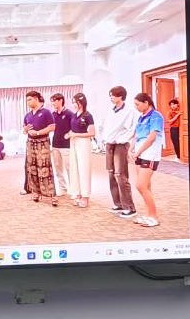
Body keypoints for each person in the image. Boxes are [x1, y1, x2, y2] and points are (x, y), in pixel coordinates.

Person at [101, 85, 137, 217]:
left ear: (120, 96)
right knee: (111, 174)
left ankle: (130, 207)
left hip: (120, 145)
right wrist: (104, 139)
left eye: (113, 95)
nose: (111, 97)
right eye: (110, 95)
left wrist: (122, 139)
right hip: (109, 144)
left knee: (120, 175)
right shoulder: (110, 110)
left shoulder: (129, 111)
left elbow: (132, 129)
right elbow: (104, 126)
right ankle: (118, 204)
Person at [131, 92, 165, 227]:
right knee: (146, 187)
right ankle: (148, 214)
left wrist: (138, 151)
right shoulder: (141, 117)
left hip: (150, 154)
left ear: (146, 102)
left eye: (137, 104)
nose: (136, 107)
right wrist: (131, 148)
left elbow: (151, 138)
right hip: (140, 154)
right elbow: (136, 135)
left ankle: (154, 217)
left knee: (141, 185)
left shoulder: (156, 116)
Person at [22, 90, 57, 204]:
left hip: (43, 143)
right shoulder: (27, 115)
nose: (28, 102)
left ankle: (52, 195)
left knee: (45, 168)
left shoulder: (46, 112)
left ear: (36, 99)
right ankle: (35, 192)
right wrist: (26, 130)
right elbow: (24, 130)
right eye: (27, 100)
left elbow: (52, 127)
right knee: (32, 168)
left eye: (29, 99)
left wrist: (37, 132)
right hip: (30, 143)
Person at [68, 92, 96, 208]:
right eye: (73, 102)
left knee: (84, 169)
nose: (74, 104)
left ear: (81, 102)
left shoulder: (88, 116)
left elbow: (92, 133)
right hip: (74, 142)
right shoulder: (74, 115)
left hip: (84, 143)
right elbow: (73, 129)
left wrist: (76, 134)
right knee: (75, 169)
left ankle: (85, 196)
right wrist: (70, 134)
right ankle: (77, 193)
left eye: (75, 102)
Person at [49, 93, 73, 196]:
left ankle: (74, 190)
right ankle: (63, 189)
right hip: (55, 145)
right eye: (52, 101)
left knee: (69, 168)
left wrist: (69, 134)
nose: (53, 103)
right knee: (58, 168)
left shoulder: (69, 114)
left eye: (54, 101)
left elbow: (74, 127)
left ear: (60, 101)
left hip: (66, 146)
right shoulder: (53, 114)